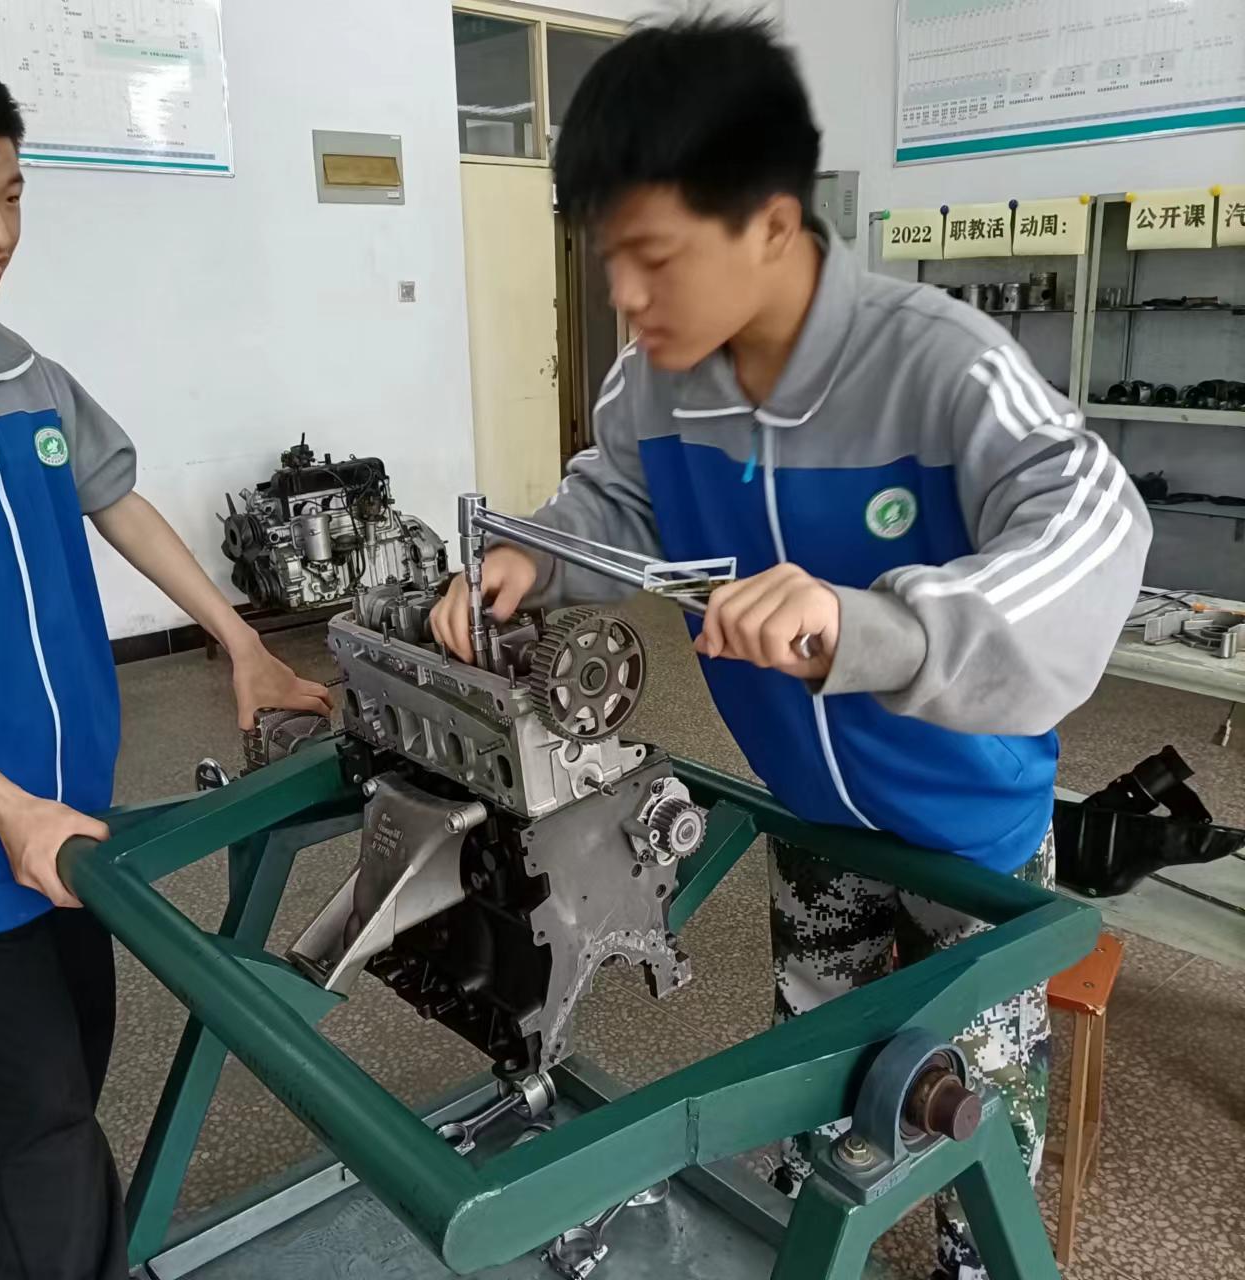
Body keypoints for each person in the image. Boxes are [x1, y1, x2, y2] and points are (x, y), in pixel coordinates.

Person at [431, 16, 1150, 1280]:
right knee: (812, 1088)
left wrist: (878, 624)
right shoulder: (652, 384)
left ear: (769, 224)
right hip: (811, 819)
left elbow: (1093, 521)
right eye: (607, 258)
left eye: (654, 256)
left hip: (966, 833)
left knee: (970, 1123)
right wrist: (539, 555)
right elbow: (618, 497)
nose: (624, 298)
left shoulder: (939, 364)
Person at [0, 58, 332, 1280]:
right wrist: (4, 807)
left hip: (69, 828)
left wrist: (241, 641)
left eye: (13, 194)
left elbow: (113, 495)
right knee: (42, 1132)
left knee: (56, 1092)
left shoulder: (18, 372)